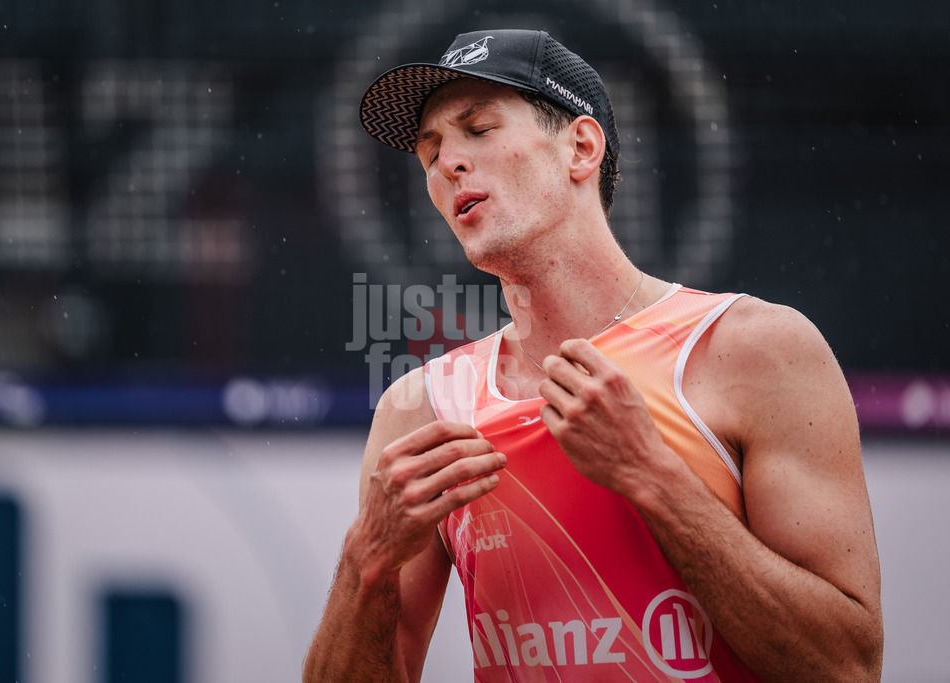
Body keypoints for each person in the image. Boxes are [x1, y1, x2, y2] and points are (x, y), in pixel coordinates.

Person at [303, 29, 883, 682]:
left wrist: (653, 476)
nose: (446, 166)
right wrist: (366, 560)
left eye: (478, 128)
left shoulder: (754, 348)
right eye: (430, 150)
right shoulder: (421, 408)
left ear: (581, 147)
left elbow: (847, 667)